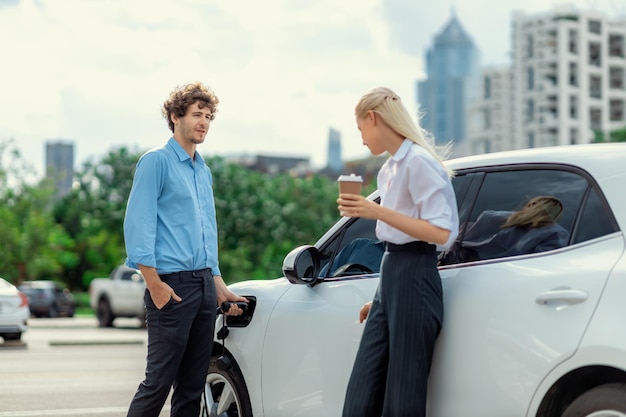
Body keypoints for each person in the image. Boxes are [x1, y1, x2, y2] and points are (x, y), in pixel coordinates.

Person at [123, 82, 248, 417]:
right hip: (171, 286)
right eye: (196, 114)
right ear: (175, 116)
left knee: (192, 386)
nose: (204, 122)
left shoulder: (202, 171)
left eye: (208, 116)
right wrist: (154, 284)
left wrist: (218, 285)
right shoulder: (156, 162)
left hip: (204, 286)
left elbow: (207, 234)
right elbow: (139, 225)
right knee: (158, 383)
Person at [337, 87, 459, 417]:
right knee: (360, 397)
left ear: (373, 118)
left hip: (416, 275)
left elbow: (442, 232)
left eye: (360, 128)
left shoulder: (419, 162)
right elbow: (395, 241)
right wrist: (383, 295)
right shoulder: (389, 169)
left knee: (403, 399)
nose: (361, 139)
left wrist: (375, 211)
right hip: (394, 278)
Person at [458, 195, 568, 261]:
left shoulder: (493, 222)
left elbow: (488, 216)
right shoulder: (556, 234)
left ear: (531, 205)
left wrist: (518, 216)